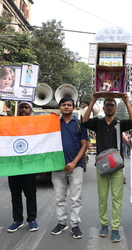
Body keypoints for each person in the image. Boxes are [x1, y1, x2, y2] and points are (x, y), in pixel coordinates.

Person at [82, 94, 132, 243]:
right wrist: (92, 101)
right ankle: (104, 225)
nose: (110, 107)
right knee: (102, 198)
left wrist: (127, 102)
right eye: (107, 105)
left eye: (112, 105)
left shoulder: (120, 123)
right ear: (103, 108)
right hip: (102, 166)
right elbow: (85, 121)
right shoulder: (98, 122)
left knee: (117, 199)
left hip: (117, 167)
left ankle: (115, 228)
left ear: (116, 108)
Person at [51, 97, 88, 239]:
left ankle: (75, 225)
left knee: (76, 198)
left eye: (69, 105)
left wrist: (73, 162)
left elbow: (84, 145)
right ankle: (61, 223)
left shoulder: (79, 124)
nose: (66, 107)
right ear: (59, 107)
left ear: (73, 107)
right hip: (57, 166)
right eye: (63, 105)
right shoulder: (53, 123)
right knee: (59, 197)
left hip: (76, 167)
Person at [7, 101, 39, 233]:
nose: (23, 110)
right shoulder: (11, 123)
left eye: (26, 107)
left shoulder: (36, 125)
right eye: (21, 107)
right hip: (14, 165)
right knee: (15, 194)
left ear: (30, 110)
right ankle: (17, 220)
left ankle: (32, 219)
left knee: (30, 194)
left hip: (30, 166)